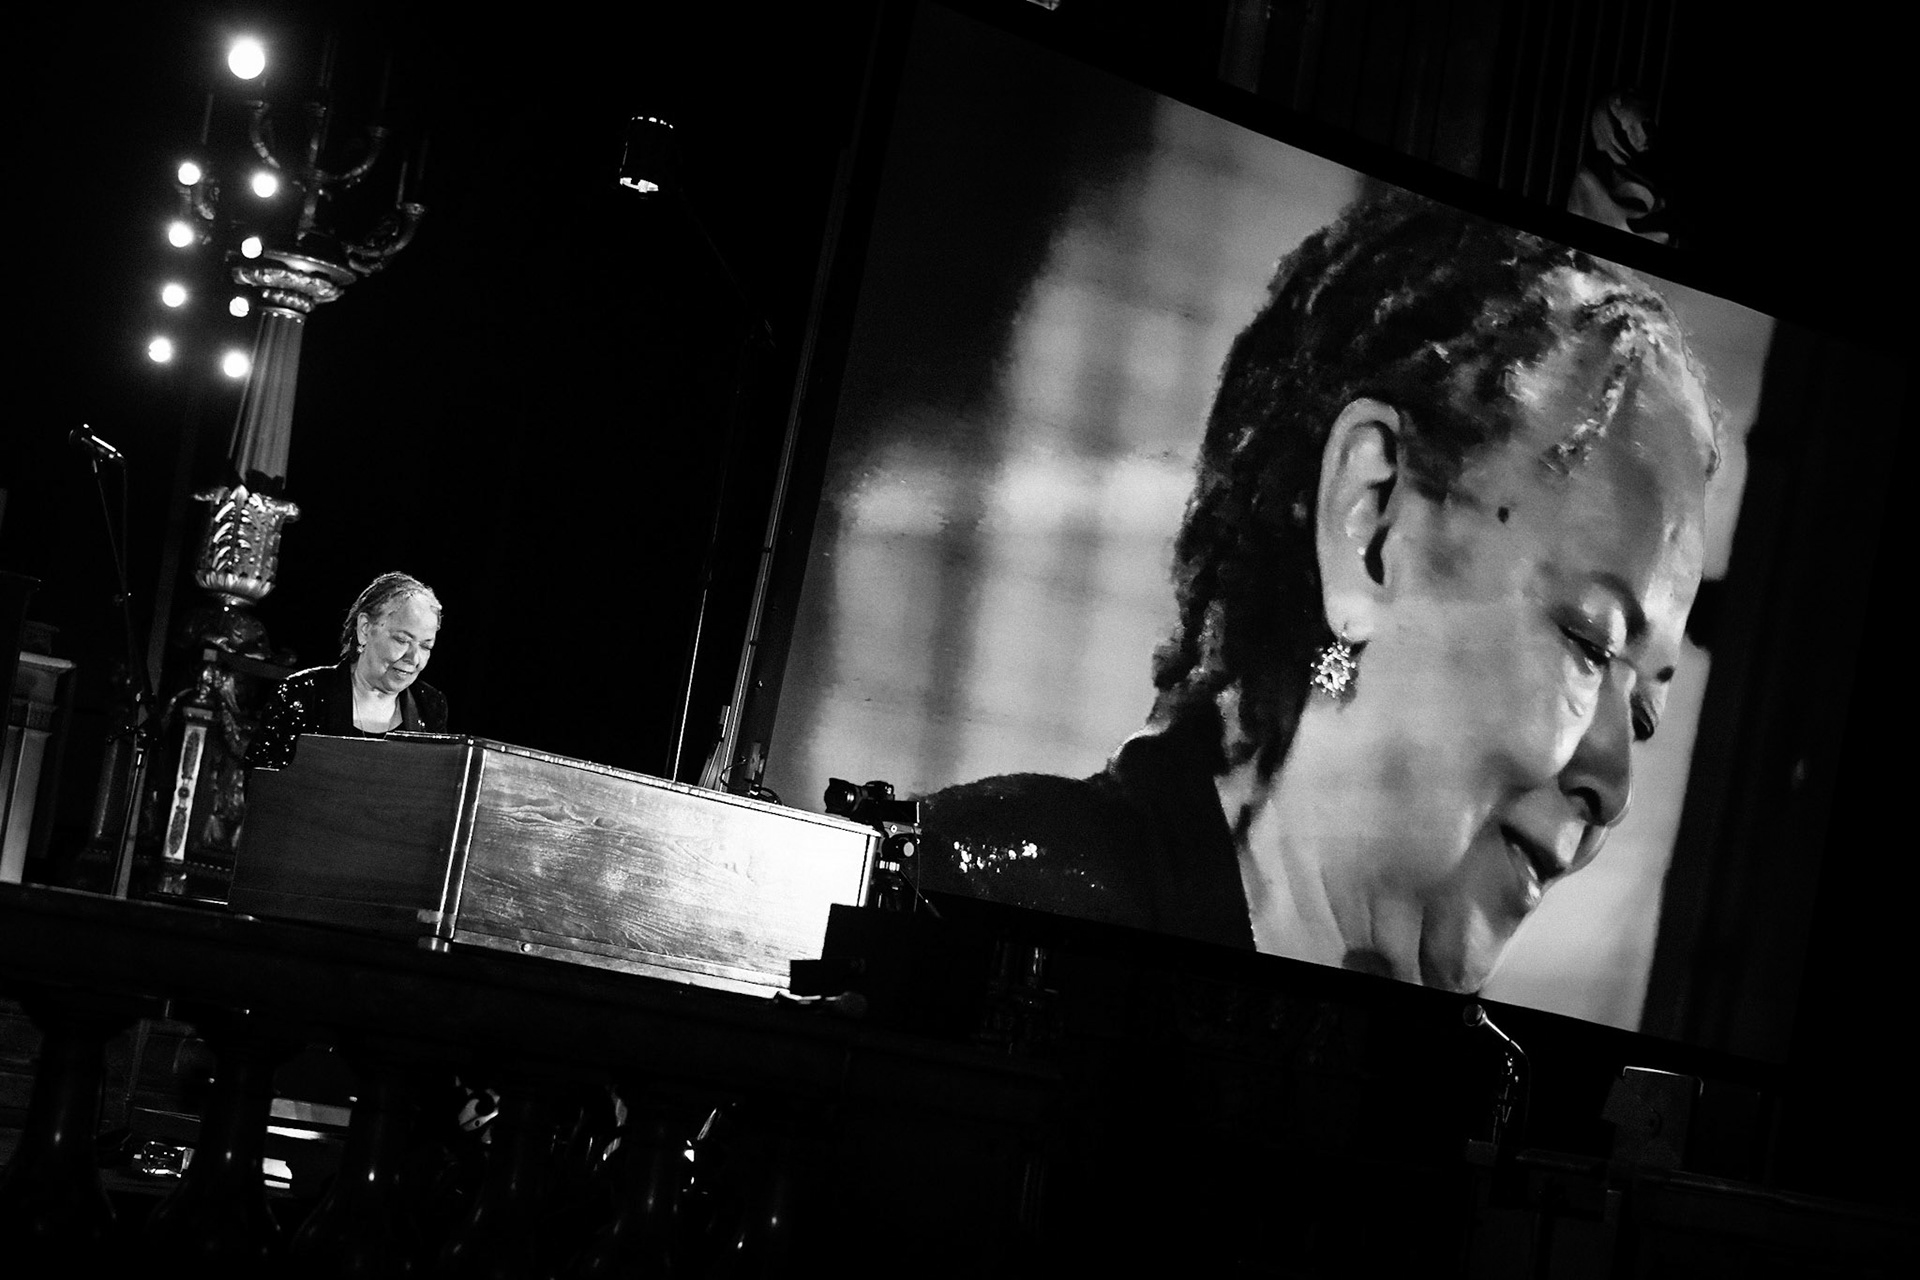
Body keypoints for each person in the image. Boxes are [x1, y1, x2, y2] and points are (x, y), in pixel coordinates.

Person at [916, 189, 1718, 994]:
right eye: (1591, 641)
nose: (1613, 789)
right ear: (1369, 521)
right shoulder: (982, 907)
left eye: (1645, 713)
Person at [245, 572, 448, 770]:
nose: (413, 658)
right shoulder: (303, 694)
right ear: (365, 629)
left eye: (425, 646)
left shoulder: (429, 705)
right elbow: (262, 787)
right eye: (402, 640)